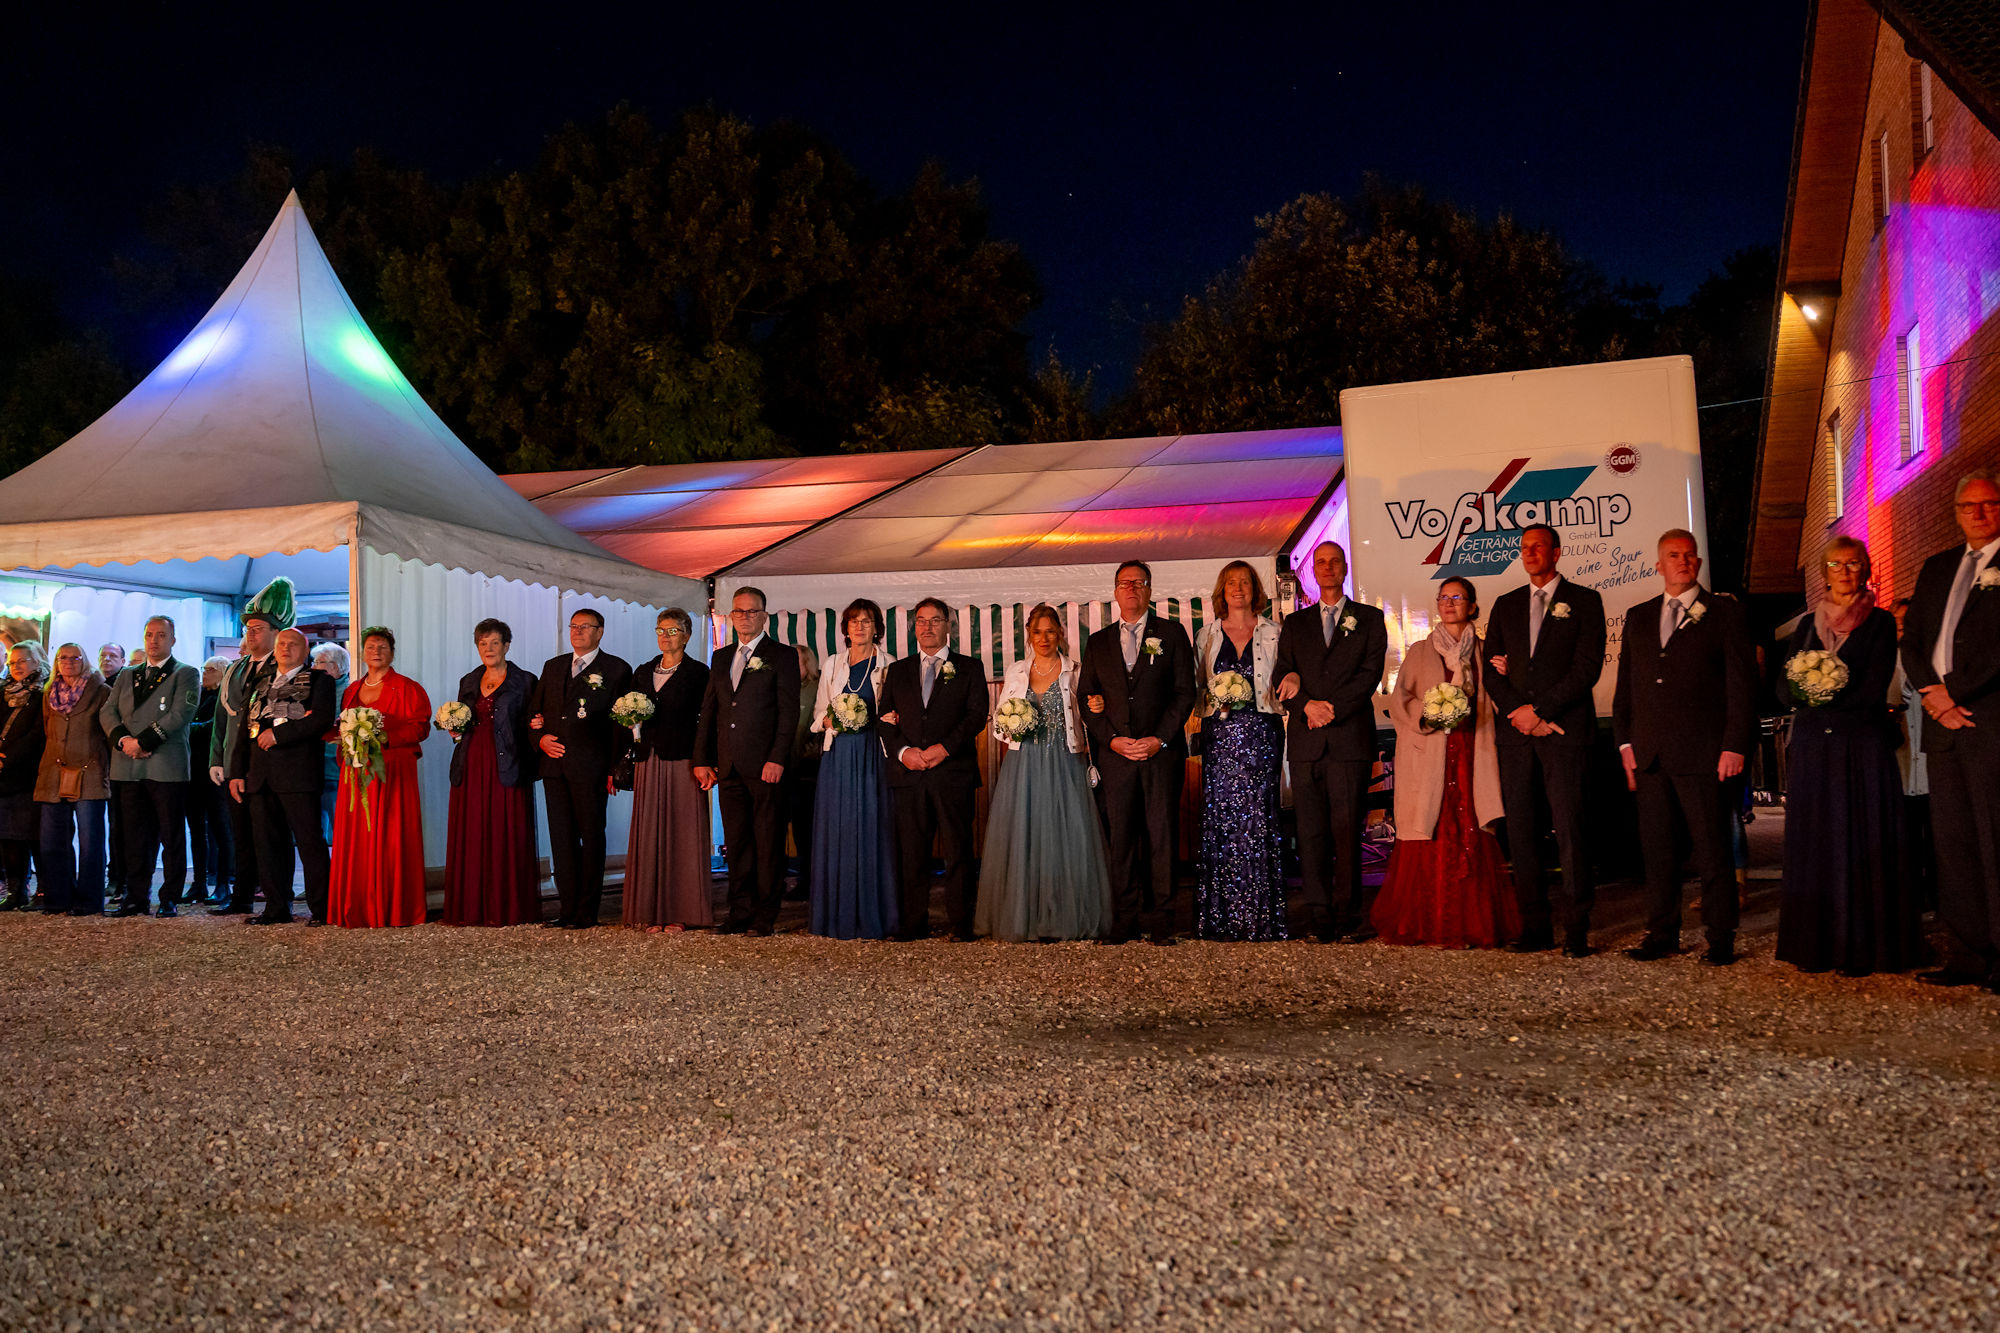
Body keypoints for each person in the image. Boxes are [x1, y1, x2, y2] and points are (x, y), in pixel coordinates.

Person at [1775, 537, 1921, 975]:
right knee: (1818, 842)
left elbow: (1873, 685)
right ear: (1825, 573)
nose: (1844, 572)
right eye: (1836, 564)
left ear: (1865, 570)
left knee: (1862, 840)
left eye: (1853, 564)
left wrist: (1822, 695)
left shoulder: (1879, 622)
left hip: (1860, 746)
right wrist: (1800, 692)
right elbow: (1783, 683)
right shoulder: (1807, 624)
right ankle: (1816, 946)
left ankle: (1863, 947)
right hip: (1814, 749)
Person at [1613, 529, 1758, 965]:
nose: (1683, 561)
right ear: (1659, 565)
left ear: (1698, 563)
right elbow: (1627, 687)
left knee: (1712, 849)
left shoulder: (1724, 613)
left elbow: (1742, 686)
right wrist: (1625, 742)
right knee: (1658, 851)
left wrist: (1734, 745)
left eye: (1690, 555)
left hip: (1705, 754)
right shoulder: (1639, 616)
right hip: (1650, 754)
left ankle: (1720, 937)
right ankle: (1662, 934)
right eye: (1674, 555)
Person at [1480, 523, 1607, 957]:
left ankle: (1576, 928)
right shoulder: (1506, 604)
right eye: (1524, 547)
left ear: (1556, 553)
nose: (1530, 553)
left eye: (1538, 546)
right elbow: (1490, 670)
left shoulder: (1585, 601)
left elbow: (1586, 668)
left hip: (1565, 734)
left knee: (1571, 830)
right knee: (1522, 832)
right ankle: (1535, 927)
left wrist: (1541, 712)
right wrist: (1520, 713)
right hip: (1516, 738)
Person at [1371, 579, 1519, 947]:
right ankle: (1429, 922)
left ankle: (1471, 924)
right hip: (1429, 754)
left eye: (1458, 597)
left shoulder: (1484, 651)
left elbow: (1500, 700)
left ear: (1472, 606)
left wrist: (1508, 674)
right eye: (1444, 597)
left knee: (1470, 828)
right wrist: (1430, 714)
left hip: (1471, 752)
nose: (1449, 603)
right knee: (1430, 828)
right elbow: (1400, 701)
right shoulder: (1420, 652)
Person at [1901, 470, 2000, 989]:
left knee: (1995, 840)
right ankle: (1967, 955)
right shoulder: (1937, 567)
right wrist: (1931, 694)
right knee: (1954, 843)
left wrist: (1953, 692)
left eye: (1989, 504)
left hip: (1989, 721)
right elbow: (1913, 640)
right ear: (1956, 512)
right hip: (1941, 724)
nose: (1978, 514)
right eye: (1968, 506)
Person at [1274, 541, 1389, 942]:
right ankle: (1319, 917)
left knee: (1347, 832)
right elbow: (1282, 674)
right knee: (1311, 835)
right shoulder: (1295, 624)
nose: (1327, 568)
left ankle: (1349, 917)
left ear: (1344, 568)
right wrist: (1306, 705)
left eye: (1333, 562)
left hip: (1348, 741)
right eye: (1320, 562)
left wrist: (1331, 710)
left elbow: (1369, 674)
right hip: (1307, 742)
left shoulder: (1370, 619)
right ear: (1313, 572)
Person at [977, 604, 1112, 941]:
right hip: (1024, 764)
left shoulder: (1075, 670)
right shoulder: (1017, 671)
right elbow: (999, 723)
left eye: (1051, 631)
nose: (1044, 638)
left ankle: (1062, 915)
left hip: (1065, 762)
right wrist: (1012, 725)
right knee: (1025, 834)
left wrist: (1098, 705)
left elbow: (1090, 714)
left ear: (1061, 634)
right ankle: (1026, 914)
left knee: (1067, 837)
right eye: (1037, 632)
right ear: (1028, 635)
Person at [1080, 563, 1197, 945]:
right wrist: (1111, 740)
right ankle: (1125, 919)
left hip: (1160, 755)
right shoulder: (1098, 642)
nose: (1131, 588)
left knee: (1163, 836)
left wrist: (1159, 739)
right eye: (1124, 583)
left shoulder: (1173, 634)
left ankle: (1163, 919)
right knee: (1122, 838)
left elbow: (1184, 692)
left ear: (1149, 589)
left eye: (1138, 582)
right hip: (1116, 758)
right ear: (1115, 592)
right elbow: (1086, 698)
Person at [879, 597, 990, 941]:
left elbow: (976, 716)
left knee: (958, 851)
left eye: (935, 620)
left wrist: (944, 749)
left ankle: (961, 924)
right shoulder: (898, 670)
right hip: (909, 775)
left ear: (948, 626)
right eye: (921, 621)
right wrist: (903, 753)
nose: (927, 627)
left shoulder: (969, 668)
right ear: (915, 627)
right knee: (912, 853)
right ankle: (913, 924)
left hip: (952, 773)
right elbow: (884, 718)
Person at [693, 589, 800, 935]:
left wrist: (777, 758)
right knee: (737, 842)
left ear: (764, 616)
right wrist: (702, 758)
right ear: (731, 616)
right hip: (729, 765)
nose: (744, 617)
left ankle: (765, 915)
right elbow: (710, 710)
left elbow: (788, 712)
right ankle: (739, 911)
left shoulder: (782, 655)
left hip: (765, 765)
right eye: (738, 612)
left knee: (767, 841)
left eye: (751, 612)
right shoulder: (721, 657)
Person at [1192, 561, 1286, 941]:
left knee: (1260, 819)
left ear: (1255, 590)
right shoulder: (1207, 635)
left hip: (1262, 734)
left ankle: (1262, 917)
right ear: (1222, 591)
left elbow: (1285, 679)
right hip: (1221, 738)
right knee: (1223, 820)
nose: (1238, 588)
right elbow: (1197, 688)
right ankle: (1222, 917)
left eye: (1245, 582)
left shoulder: (1275, 632)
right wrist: (1217, 698)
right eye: (1231, 583)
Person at [528, 609, 632, 930]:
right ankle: (567, 908)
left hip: (592, 767)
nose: (577, 631)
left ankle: (588, 910)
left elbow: (621, 725)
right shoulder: (553, 666)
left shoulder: (616, 669)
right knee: (562, 840)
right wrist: (540, 739)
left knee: (591, 836)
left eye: (585, 627)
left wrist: (615, 768)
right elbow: (533, 713)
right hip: (554, 766)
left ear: (600, 632)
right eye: (573, 626)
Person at [230, 628, 336, 925]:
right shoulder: (259, 681)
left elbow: (321, 719)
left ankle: (322, 908)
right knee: (267, 844)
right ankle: (277, 907)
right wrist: (236, 772)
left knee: (309, 843)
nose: (286, 648)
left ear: (306, 650)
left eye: (293, 644)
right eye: (282, 644)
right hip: (260, 775)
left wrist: (280, 735)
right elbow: (244, 730)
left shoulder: (319, 680)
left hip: (298, 774)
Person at [328, 627, 432, 928]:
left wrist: (382, 737)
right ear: (362, 653)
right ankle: (359, 905)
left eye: (383, 646)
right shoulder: (351, 690)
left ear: (392, 653)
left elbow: (420, 727)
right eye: (371, 646)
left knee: (391, 837)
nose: (376, 651)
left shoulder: (408, 688)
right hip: (356, 775)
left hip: (393, 773)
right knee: (357, 840)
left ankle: (393, 906)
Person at [807, 599, 898, 940]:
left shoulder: (889, 664)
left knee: (872, 824)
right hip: (838, 754)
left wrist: (890, 718)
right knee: (839, 826)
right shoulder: (832, 663)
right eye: (853, 621)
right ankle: (836, 914)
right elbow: (818, 711)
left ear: (877, 628)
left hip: (873, 752)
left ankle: (875, 914)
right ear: (845, 628)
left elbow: (895, 710)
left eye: (866, 621)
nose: (859, 627)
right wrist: (827, 720)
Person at [98, 616, 200, 917]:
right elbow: (108, 711)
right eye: (149, 635)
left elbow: (181, 713)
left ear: (173, 640)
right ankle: (136, 897)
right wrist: (123, 741)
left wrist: (142, 742)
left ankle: (169, 897)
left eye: (161, 635)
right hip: (128, 766)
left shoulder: (185, 673)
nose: (154, 640)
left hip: (166, 765)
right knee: (134, 836)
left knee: (171, 836)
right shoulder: (127, 674)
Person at [620, 608, 714, 931]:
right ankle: (649, 910)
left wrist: (705, 760)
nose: (665, 636)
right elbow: (629, 709)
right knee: (649, 832)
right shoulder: (643, 671)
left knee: (682, 834)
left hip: (683, 760)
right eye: (661, 630)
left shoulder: (699, 673)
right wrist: (629, 721)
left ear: (686, 636)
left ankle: (681, 911)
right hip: (648, 759)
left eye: (673, 631)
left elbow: (706, 721)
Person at [444, 619, 542, 927]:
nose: (488, 648)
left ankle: (507, 908)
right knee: (473, 830)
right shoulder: (468, 680)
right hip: (471, 762)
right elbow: (461, 720)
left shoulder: (526, 680)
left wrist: (538, 724)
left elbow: (534, 720)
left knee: (506, 831)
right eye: (483, 643)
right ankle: (471, 906)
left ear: (507, 646)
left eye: (495, 643)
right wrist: (454, 729)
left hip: (509, 763)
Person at [208, 580, 288, 915]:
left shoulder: (281, 667)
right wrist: (216, 759)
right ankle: (241, 897)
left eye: (258, 629)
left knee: (268, 835)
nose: (250, 635)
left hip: (264, 765)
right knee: (239, 833)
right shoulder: (236, 669)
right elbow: (221, 718)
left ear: (275, 633)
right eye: (248, 629)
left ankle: (276, 898)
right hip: (233, 763)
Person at [34, 644, 111, 915]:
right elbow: (47, 729)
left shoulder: (101, 691)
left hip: (90, 771)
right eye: (63, 658)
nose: (68, 662)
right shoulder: (49, 692)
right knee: (51, 840)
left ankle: (89, 901)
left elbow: (106, 732)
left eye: (75, 657)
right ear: (56, 662)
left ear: (84, 660)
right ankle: (58, 899)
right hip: (53, 773)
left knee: (91, 842)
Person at [1889, 596, 1935, 913]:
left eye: (1907, 621)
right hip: (1900, 765)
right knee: (1904, 840)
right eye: (1896, 622)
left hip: (1930, 766)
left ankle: (1940, 898)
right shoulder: (1884, 664)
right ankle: (1910, 899)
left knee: (1936, 840)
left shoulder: (1930, 661)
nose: (1901, 627)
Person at [0, 642, 49, 910]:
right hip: (4, 777)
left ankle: (43, 890)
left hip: (29, 773)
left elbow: (37, 734)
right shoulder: (3, 691)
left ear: (37, 661)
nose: (15, 666)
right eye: (12, 661)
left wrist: (7, 756)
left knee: (33, 834)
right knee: (7, 835)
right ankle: (16, 890)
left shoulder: (43, 693)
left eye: (22, 661)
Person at [184, 656, 233, 906]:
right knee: (196, 830)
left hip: (215, 772)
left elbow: (213, 729)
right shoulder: (197, 697)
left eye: (210, 669)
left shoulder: (225, 698)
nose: (204, 673)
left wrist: (187, 728)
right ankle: (199, 883)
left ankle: (223, 883)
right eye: (204, 668)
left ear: (223, 673)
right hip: (192, 772)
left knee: (221, 829)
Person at [786, 643, 822, 902]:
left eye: (795, 662)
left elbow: (814, 727)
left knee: (804, 829)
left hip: (806, 771)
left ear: (807, 665)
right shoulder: (782, 687)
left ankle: (808, 882)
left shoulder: (815, 689)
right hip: (781, 768)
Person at [97, 641, 128, 894]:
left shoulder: (122, 685)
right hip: (100, 763)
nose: (107, 659)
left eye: (112, 655)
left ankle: (119, 877)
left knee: (119, 824)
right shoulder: (96, 685)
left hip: (119, 760)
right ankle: (113, 875)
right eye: (103, 655)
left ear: (122, 661)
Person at [312, 642, 351, 846]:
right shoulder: (314, 690)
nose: (313, 666)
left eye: (318, 662)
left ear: (335, 667)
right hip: (314, 766)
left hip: (335, 767)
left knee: (339, 827)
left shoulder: (348, 692)